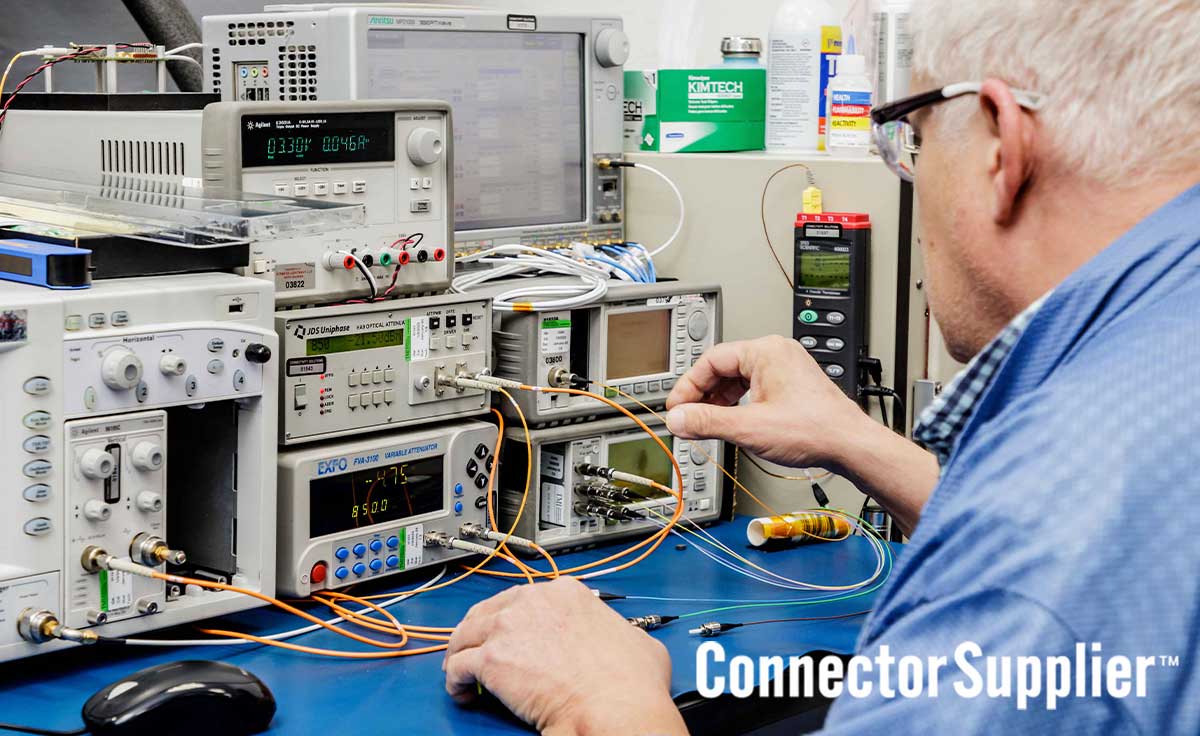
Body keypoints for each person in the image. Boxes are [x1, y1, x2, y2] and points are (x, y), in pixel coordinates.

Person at [442, 0, 1200, 732]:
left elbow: (1048, 558)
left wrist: (600, 703)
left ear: (1003, 148)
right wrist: (852, 439)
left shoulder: (1061, 516)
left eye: (916, 141)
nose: (913, 172)